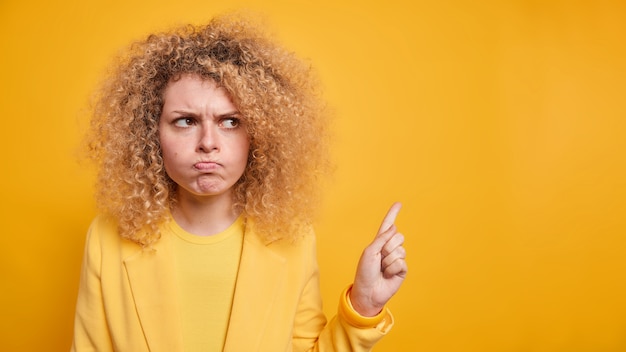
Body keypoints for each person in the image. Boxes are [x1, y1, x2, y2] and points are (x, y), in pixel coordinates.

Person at [72, 14, 407, 352]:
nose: (208, 142)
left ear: (258, 135)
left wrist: (363, 306)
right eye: (186, 120)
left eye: (230, 121)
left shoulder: (292, 237)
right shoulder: (107, 238)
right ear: (150, 133)